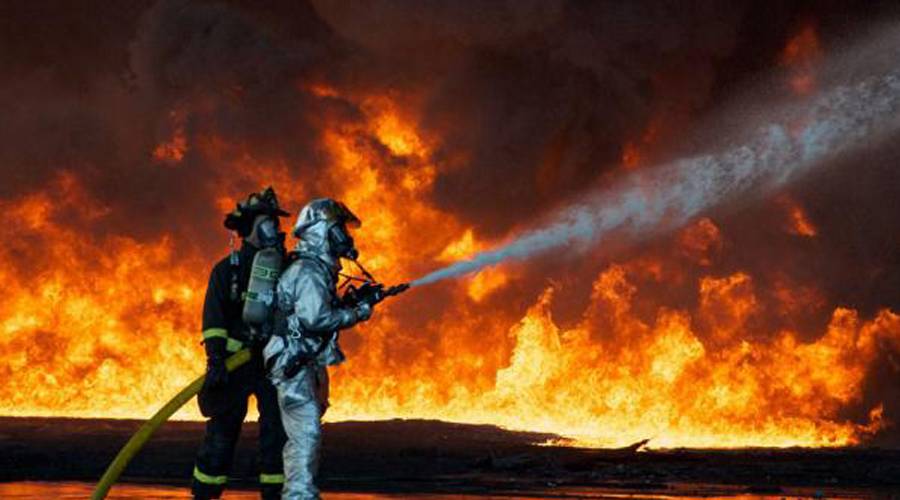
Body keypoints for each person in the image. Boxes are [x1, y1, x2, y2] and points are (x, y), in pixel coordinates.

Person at [263, 198, 380, 499]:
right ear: (320, 232)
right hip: (293, 361)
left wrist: (351, 302)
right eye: (338, 229)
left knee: (308, 432)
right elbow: (315, 319)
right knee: (306, 434)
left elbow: (315, 313)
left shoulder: (316, 270)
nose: (345, 237)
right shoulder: (308, 271)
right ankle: (299, 496)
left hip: (304, 360)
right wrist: (358, 312)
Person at [192, 187, 290, 500]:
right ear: (249, 228)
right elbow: (214, 320)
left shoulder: (289, 270)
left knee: (277, 436)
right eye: (267, 222)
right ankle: (205, 494)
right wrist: (216, 360)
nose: (274, 228)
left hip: (274, 366)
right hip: (234, 368)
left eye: (275, 222)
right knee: (220, 437)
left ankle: (276, 494)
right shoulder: (227, 271)